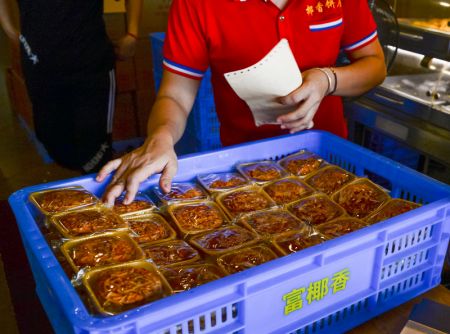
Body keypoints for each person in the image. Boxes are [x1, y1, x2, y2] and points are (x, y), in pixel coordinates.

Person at [97, 0, 386, 205]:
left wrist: (327, 80)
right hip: (247, 168)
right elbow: (175, 94)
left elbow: (374, 65)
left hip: (327, 161)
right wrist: (161, 137)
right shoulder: (196, 4)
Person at [0, 0, 143, 173]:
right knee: (51, 139)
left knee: (94, 150)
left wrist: (132, 33)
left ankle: (99, 189)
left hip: (91, 66)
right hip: (40, 67)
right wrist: (10, 31)